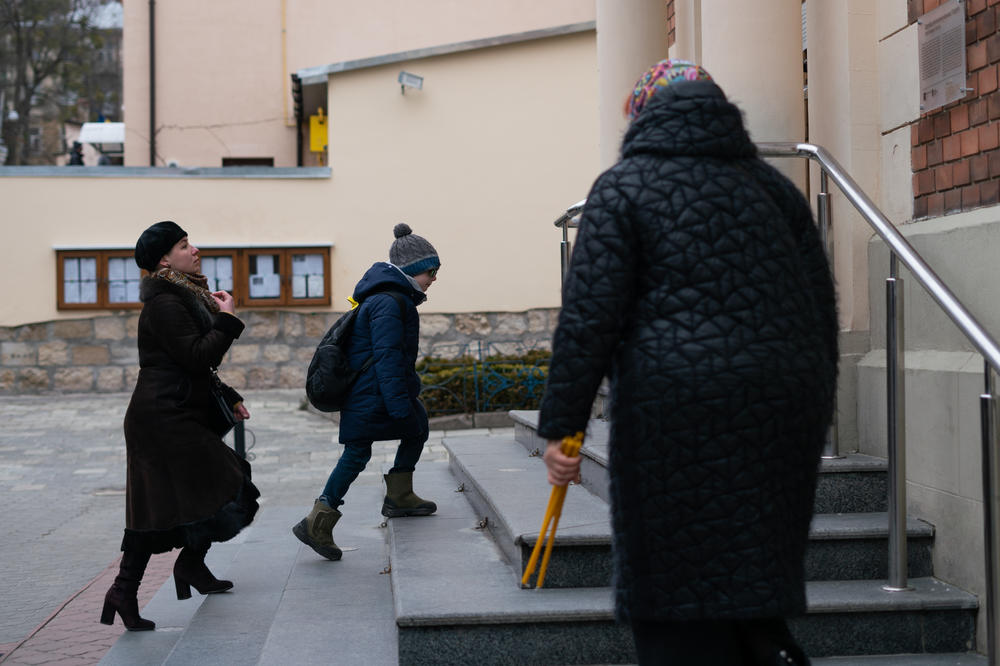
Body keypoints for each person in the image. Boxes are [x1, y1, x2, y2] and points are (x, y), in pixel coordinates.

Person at [538, 60, 838, 665]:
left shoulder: (623, 186)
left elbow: (589, 316)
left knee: (674, 584)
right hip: (781, 404)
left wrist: (563, 427)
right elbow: (820, 308)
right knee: (754, 572)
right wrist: (813, 401)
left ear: (644, 116)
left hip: (673, 410)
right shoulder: (777, 188)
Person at [100, 221, 260, 631]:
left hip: (173, 412)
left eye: (190, 243)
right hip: (160, 419)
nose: (195, 250)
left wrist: (228, 395)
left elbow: (193, 365)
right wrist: (227, 319)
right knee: (182, 498)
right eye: (184, 245)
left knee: (202, 491)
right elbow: (195, 356)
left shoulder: (186, 296)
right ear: (164, 259)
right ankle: (130, 589)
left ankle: (187, 567)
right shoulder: (165, 304)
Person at [293, 223, 439, 561]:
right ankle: (317, 521)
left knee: (417, 427)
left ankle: (399, 497)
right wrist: (397, 403)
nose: (434, 278)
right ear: (412, 270)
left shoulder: (389, 297)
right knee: (358, 453)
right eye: (430, 271)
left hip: (374, 392)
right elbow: (387, 355)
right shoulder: (389, 301)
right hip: (371, 395)